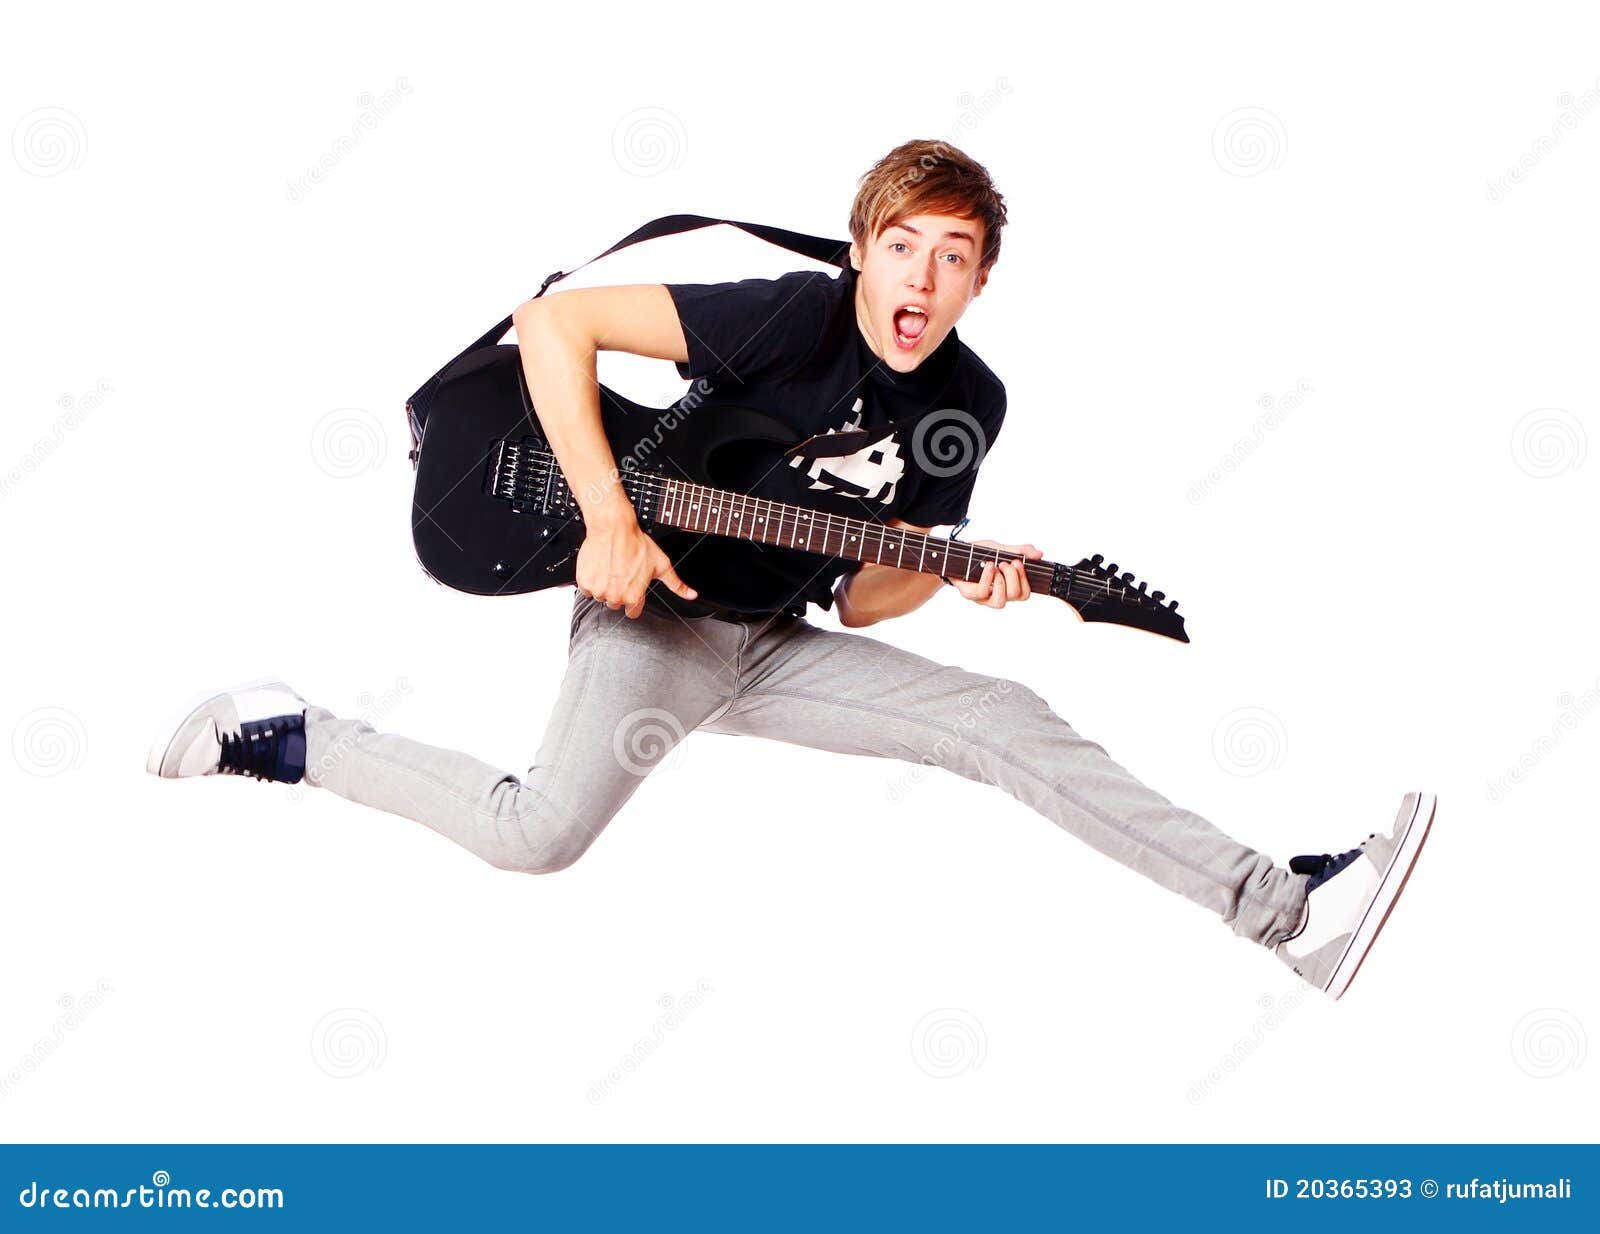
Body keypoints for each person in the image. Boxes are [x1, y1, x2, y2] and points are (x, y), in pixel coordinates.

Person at [146, 140, 1435, 1000]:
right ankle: (289, 735)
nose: (921, 278)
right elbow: (556, 321)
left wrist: (952, 571)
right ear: (862, 247)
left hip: (772, 639)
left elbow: (860, 590)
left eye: (954, 258)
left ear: (981, 281)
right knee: (533, 837)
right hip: (649, 616)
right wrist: (607, 512)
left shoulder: (968, 406)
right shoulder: (792, 313)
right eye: (903, 246)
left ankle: (1288, 915)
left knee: (999, 721)